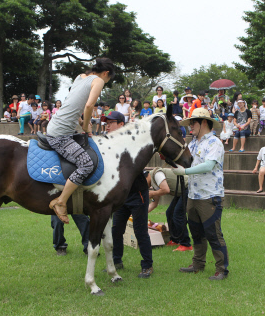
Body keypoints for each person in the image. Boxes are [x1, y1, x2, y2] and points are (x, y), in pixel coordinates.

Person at [46, 58, 115, 224]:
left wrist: (80, 122)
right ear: (106, 73)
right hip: (60, 133)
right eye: (109, 78)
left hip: (57, 125)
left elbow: (72, 104)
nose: (106, 81)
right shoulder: (98, 81)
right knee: (86, 163)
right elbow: (89, 106)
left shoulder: (80, 77)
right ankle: (61, 202)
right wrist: (86, 127)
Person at [172, 108, 229, 280]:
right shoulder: (193, 143)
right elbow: (185, 160)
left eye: (193, 123)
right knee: (196, 232)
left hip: (210, 196)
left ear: (204, 122)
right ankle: (198, 263)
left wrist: (185, 171)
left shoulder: (215, 143)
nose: (190, 127)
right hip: (193, 195)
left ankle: (222, 269)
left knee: (213, 233)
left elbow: (208, 165)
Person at [107, 111, 154, 278]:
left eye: (111, 122)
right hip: (122, 195)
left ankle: (147, 266)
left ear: (121, 124)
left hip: (137, 193)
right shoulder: (109, 143)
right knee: (116, 229)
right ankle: (116, 261)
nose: (107, 125)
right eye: (106, 122)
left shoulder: (131, 141)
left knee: (140, 231)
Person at [147, 165, 192, 251]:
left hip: (188, 187)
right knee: (169, 213)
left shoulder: (157, 174)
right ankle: (175, 240)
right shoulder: (154, 184)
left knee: (178, 214)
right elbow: (154, 203)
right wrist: (140, 214)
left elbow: (166, 190)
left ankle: (186, 244)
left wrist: (152, 193)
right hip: (181, 191)